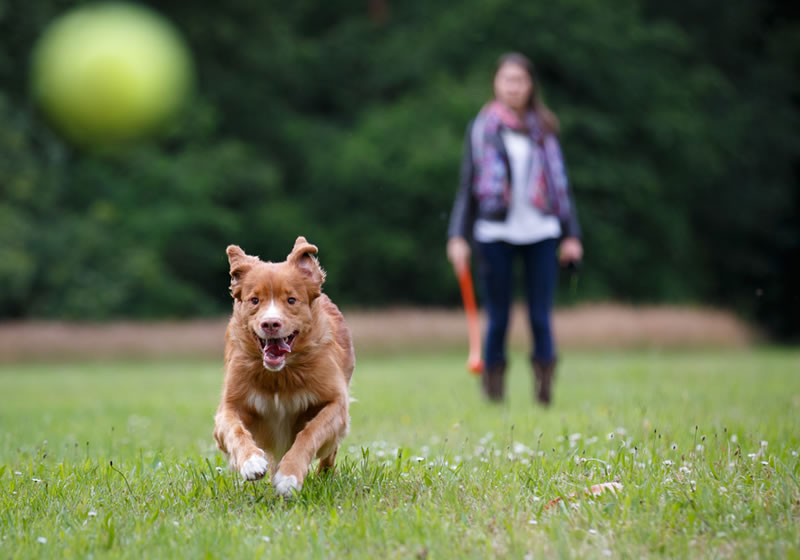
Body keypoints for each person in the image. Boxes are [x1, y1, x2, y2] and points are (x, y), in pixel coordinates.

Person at [447, 52, 583, 405]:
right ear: (496, 83)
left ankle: (545, 387)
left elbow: (560, 185)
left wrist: (572, 235)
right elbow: (468, 186)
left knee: (540, 315)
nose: (513, 87)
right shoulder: (482, 128)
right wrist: (457, 235)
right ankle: (493, 390)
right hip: (494, 232)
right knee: (500, 316)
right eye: (507, 80)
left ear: (530, 85)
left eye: (520, 80)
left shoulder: (545, 128)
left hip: (541, 229)